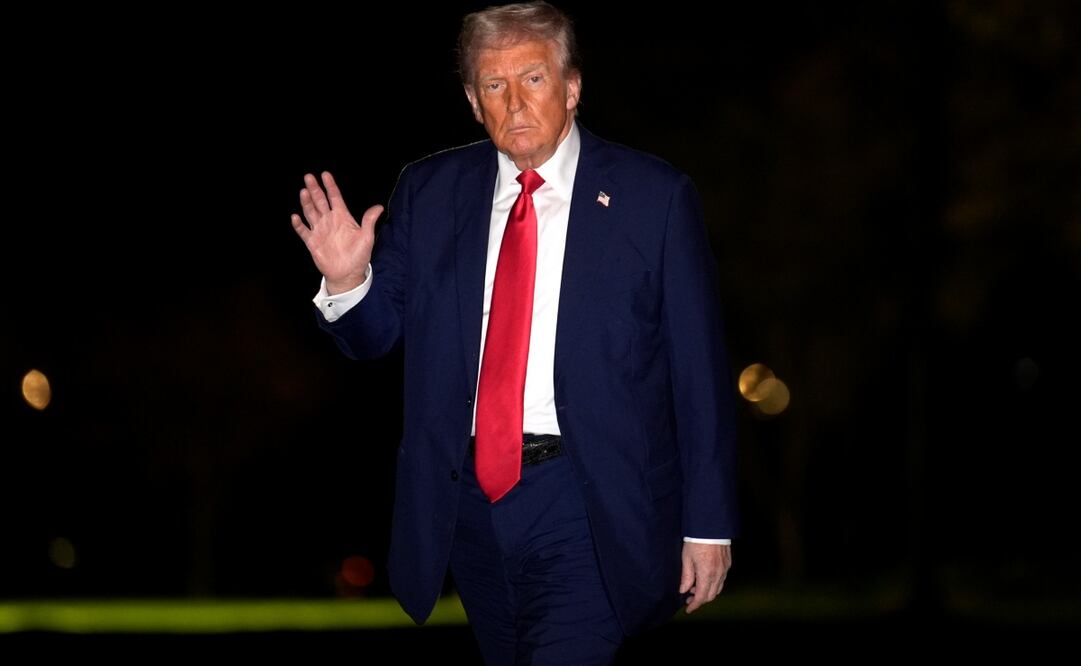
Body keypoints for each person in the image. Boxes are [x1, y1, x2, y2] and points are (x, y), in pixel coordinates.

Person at [291, 2, 738, 663]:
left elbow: (698, 374)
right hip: (468, 502)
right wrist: (347, 282)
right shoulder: (430, 190)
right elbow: (373, 336)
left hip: (586, 500)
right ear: (474, 103)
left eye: (532, 78)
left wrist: (708, 525)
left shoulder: (653, 198)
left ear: (571, 87)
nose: (515, 102)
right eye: (494, 86)